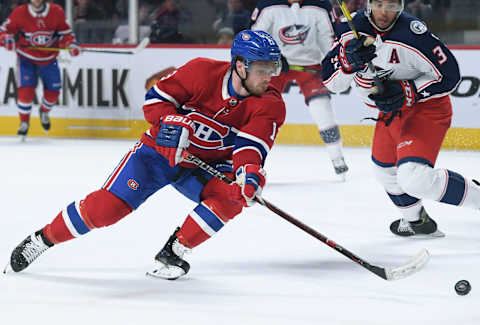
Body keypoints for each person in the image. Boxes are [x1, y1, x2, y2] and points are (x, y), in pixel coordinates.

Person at [5, 30, 286, 280]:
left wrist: (247, 174)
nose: (269, 76)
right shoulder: (201, 72)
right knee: (105, 211)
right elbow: (155, 100)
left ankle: (174, 251)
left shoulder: (271, 103)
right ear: (240, 65)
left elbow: (251, 146)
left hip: (206, 165)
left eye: (271, 68)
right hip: (157, 156)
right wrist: (169, 123)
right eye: (262, 69)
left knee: (231, 197)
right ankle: (43, 239)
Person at [321, 0, 480, 237]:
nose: (385, 12)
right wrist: (346, 61)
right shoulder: (350, 27)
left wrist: (410, 90)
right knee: (384, 171)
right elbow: (331, 82)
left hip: (426, 107)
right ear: (369, 3)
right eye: (380, 4)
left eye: (393, 5)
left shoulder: (414, 33)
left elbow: (450, 75)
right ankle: (417, 221)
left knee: (414, 178)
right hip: (390, 112)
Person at [251, 0, 349, 179]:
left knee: (322, 108)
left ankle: (337, 157)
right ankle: (251, 162)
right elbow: (255, 36)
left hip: (311, 66)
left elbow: (329, 40)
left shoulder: (321, 5)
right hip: (274, 67)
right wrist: (274, 55)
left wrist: (330, 64)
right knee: (262, 110)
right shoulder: (268, 5)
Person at [0, 0, 81, 139]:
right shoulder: (20, 12)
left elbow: (66, 34)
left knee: (53, 93)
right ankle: (24, 122)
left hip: (49, 60)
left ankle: (44, 111)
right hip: (26, 59)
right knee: (26, 91)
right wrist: (6, 39)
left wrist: (71, 44)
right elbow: (3, 31)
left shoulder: (56, 11)